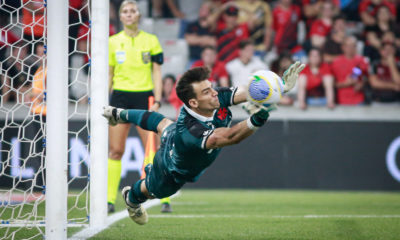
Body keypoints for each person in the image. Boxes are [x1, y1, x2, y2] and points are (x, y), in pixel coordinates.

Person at [102, 62, 305, 225]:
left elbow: (248, 91)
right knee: (152, 189)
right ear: (194, 103)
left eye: (211, 87)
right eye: (207, 92)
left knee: (163, 124)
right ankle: (132, 198)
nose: (214, 92)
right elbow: (228, 137)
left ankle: (118, 114)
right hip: (171, 169)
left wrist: (278, 88)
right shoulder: (191, 133)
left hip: (179, 137)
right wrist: (256, 119)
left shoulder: (213, 98)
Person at [107, 0, 165, 213]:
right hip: (120, 97)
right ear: (120, 16)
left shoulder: (151, 40)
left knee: (152, 148)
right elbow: (109, 73)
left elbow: (157, 72)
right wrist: (106, 101)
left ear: (139, 16)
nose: (129, 14)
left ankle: (156, 193)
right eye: (125, 11)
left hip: (145, 97)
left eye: (133, 11)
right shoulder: (112, 42)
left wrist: (157, 99)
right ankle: (108, 200)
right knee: (115, 150)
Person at [331, 36, 369, 105]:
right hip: (341, 100)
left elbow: (367, 78)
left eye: (353, 46)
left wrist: (362, 84)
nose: (350, 48)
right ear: (343, 47)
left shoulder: (362, 60)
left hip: (359, 100)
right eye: (348, 46)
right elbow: (332, 83)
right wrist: (345, 84)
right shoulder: (336, 62)